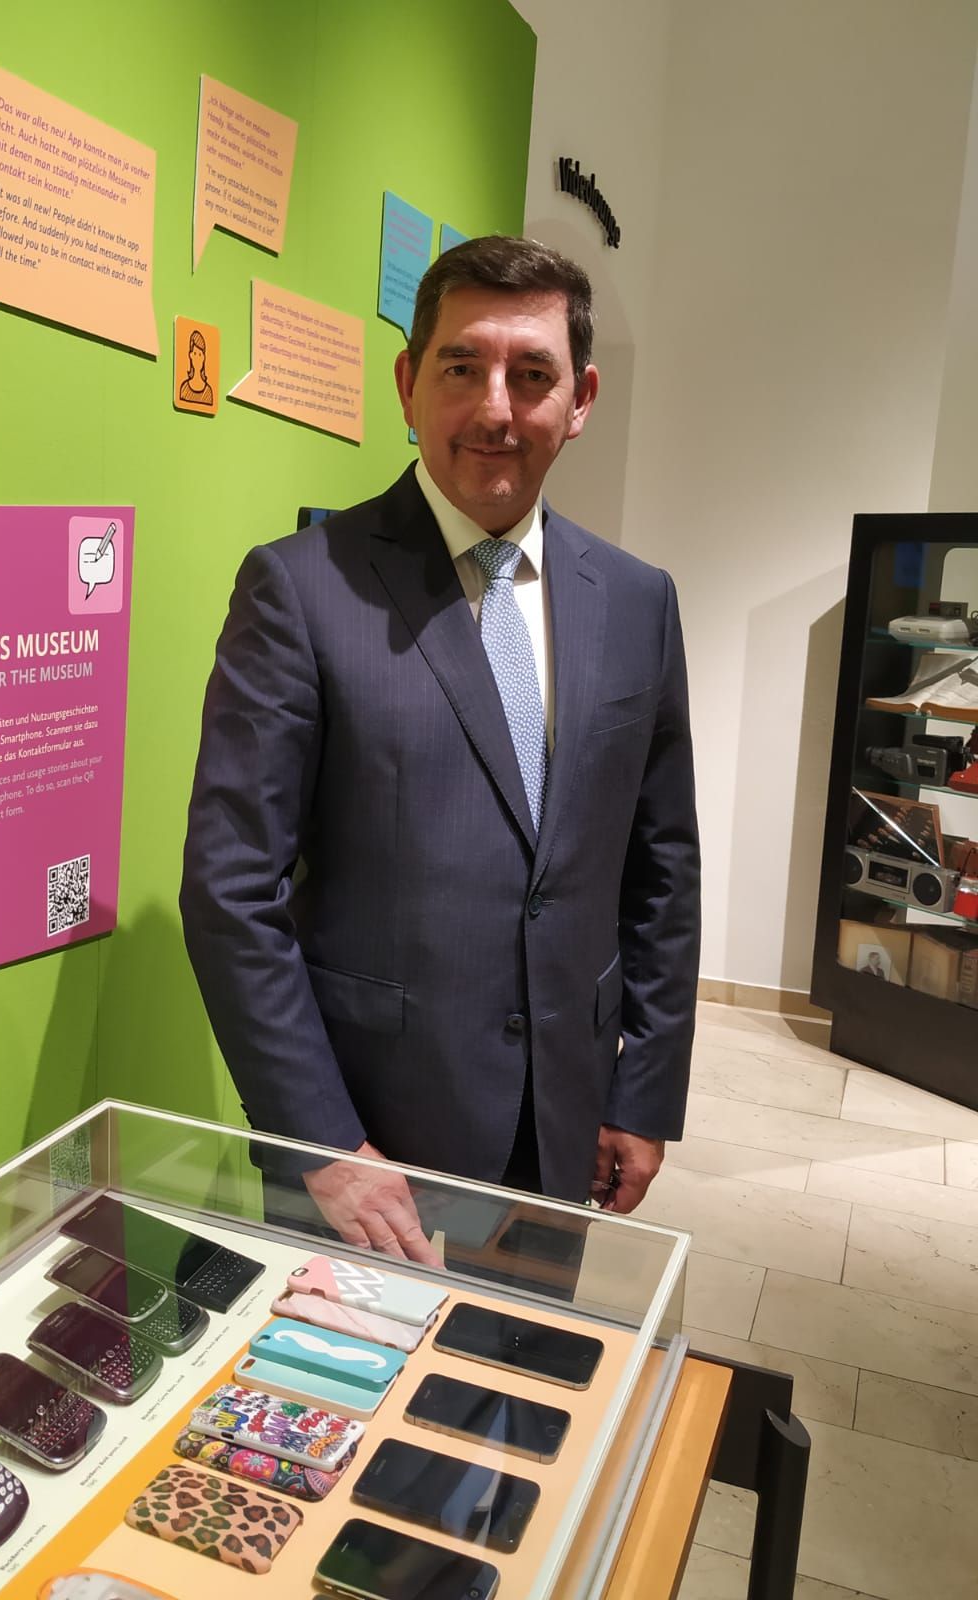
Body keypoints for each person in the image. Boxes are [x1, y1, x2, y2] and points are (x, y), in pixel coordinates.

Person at [180, 235, 699, 1262]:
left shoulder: (638, 601)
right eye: (462, 367)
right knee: (356, 1371)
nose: (496, 409)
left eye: (533, 374)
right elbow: (230, 887)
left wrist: (641, 1091)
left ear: (582, 399)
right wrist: (323, 1143)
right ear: (409, 384)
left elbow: (662, 863)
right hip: (371, 1148)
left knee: (534, 1362)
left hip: (564, 1127)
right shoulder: (301, 589)